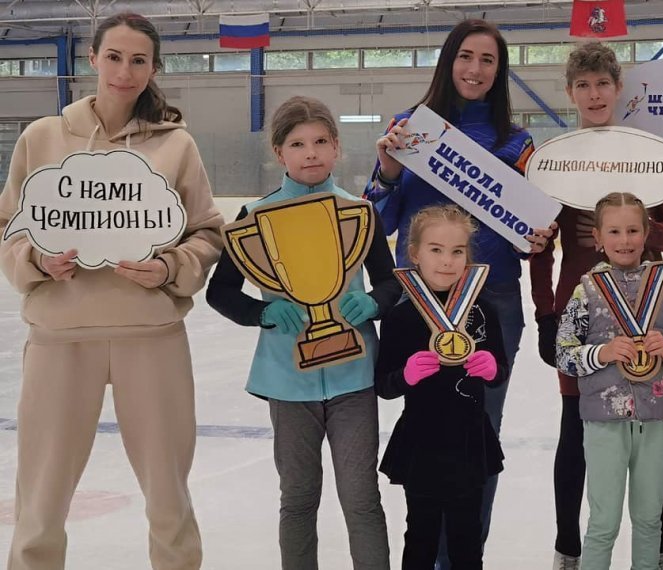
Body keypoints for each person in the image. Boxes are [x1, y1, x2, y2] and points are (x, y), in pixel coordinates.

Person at [0, 12, 223, 569]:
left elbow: (207, 232)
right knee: (40, 501)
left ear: (153, 68)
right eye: (115, 57)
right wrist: (36, 259)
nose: (125, 71)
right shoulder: (42, 138)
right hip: (60, 338)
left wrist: (169, 267)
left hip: (150, 337)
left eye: (139, 60)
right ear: (93, 59)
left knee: (169, 498)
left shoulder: (176, 145)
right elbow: (9, 228)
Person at [362, 21, 553, 564]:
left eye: (488, 60)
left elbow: (526, 235)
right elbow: (378, 222)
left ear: (500, 70)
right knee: (427, 426)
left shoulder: (517, 143)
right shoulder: (409, 129)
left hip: (492, 302)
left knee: (478, 436)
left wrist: (538, 237)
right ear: (448, 61)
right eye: (465, 56)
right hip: (418, 304)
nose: (475, 69)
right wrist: (388, 171)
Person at [206, 95, 399, 569]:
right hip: (287, 382)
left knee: (361, 497)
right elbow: (220, 292)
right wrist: (262, 313)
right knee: (298, 498)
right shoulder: (253, 216)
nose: (310, 153)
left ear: (336, 147)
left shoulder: (360, 212)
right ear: (279, 153)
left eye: (320, 142)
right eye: (297, 144)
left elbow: (391, 282)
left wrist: (373, 302)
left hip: (354, 377)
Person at [529, 41, 663, 570]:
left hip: (646, 311)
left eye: (602, 84)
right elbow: (537, 245)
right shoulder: (556, 162)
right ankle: (568, 547)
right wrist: (545, 312)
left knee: (653, 432)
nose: (594, 95)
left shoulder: (645, 154)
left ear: (618, 89)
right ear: (570, 92)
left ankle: (661, 547)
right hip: (581, 316)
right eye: (583, 86)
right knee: (575, 431)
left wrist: (631, 232)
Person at [555, 192, 663, 570]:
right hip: (603, 421)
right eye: (615, 231)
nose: (625, 240)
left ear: (647, 233)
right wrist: (601, 353)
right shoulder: (586, 290)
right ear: (598, 238)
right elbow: (564, 355)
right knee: (603, 522)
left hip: (657, 419)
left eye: (633, 230)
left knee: (649, 520)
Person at [374, 204, 509, 570]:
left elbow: (500, 371)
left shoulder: (483, 311)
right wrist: (405, 375)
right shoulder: (401, 316)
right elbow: (383, 385)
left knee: (467, 537)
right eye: (436, 249)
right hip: (422, 443)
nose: (447, 261)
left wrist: (491, 368)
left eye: (457, 251)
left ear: (468, 257)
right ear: (414, 253)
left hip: (469, 442)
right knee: (420, 534)